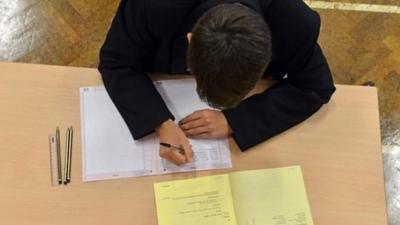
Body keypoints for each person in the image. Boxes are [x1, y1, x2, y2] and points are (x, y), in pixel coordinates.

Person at [99, 0, 336, 166]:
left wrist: (235, 119)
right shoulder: (152, 5)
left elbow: (316, 86)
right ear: (190, 40)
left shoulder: (294, 22)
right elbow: (116, 62)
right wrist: (158, 121)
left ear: (267, 52)